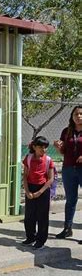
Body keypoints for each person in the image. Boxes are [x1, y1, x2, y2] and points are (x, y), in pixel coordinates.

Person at [54, 105, 82, 244]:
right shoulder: (67, 131)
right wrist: (59, 147)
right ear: (72, 116)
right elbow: (63, 151)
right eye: (76, 114)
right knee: (70, 200)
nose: (79, 116)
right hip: (68, 169)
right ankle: (67, 228)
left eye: (81, 114)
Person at [22, 136, 54, 250]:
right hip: (31, 187)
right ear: (34, 147)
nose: (43, 150)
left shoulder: (49, 160)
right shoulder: (29, 158)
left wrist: (40, 192)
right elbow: (25, 176)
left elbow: (51, 179)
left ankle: (41, 240)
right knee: (29, 215)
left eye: (45, 147)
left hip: (43, 189)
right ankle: (30, 237)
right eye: (40, 147)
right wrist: (27, 191)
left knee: (42, 216)